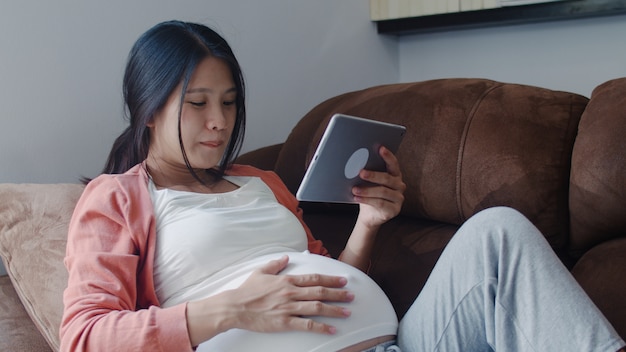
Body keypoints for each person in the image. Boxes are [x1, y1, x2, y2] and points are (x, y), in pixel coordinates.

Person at [60, 20, 625, 352]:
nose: (220, 122)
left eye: (230, 103)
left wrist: (369, 226)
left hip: (393, 343)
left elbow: (334, 284)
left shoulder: (262, 182)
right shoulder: (118, 197)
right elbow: (83, 336)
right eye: (199, 104)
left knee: (497, 232)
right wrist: (231, 309)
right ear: (149, 110)